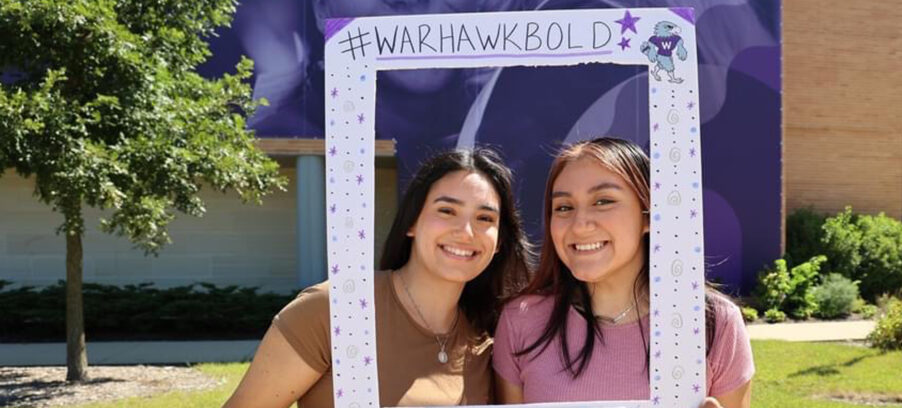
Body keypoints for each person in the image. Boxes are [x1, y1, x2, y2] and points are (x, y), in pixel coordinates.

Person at [225, 148, 532, 407]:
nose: (465, 232)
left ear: (499, 242)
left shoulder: (489, 339)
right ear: (411, 222)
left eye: (484, 218)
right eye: (446, 211)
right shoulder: (335, 308)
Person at [492, 137, 753, 407]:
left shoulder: (715, 323)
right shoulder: (520, 321)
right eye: (564, 207)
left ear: (649, 215)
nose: (579, 225)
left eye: (603, 201)